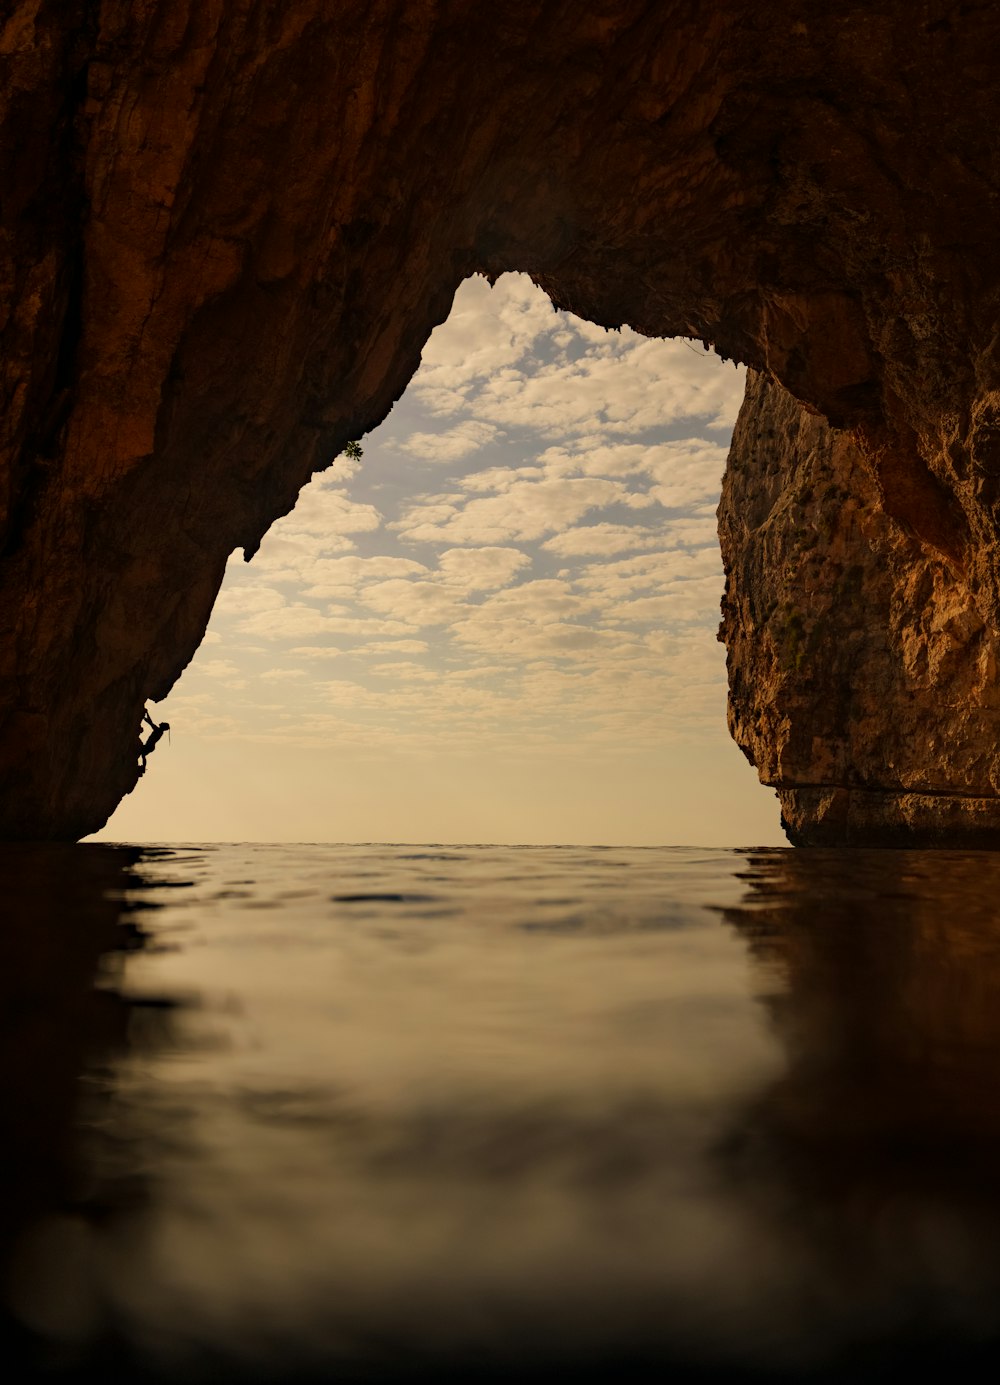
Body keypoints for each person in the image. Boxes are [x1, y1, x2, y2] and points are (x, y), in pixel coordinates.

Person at [138, 708, 170, 776]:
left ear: (163, 727)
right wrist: (146, 716)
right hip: (150, 746)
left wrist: (147, 714)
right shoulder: (159, 731)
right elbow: (150, 722)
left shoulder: (158, 731)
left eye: (163, 723)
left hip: (149, 746)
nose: (161, 722)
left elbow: (150, 723)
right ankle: (143, 767)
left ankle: (143, 767)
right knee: (143, 755)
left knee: (142, 754)